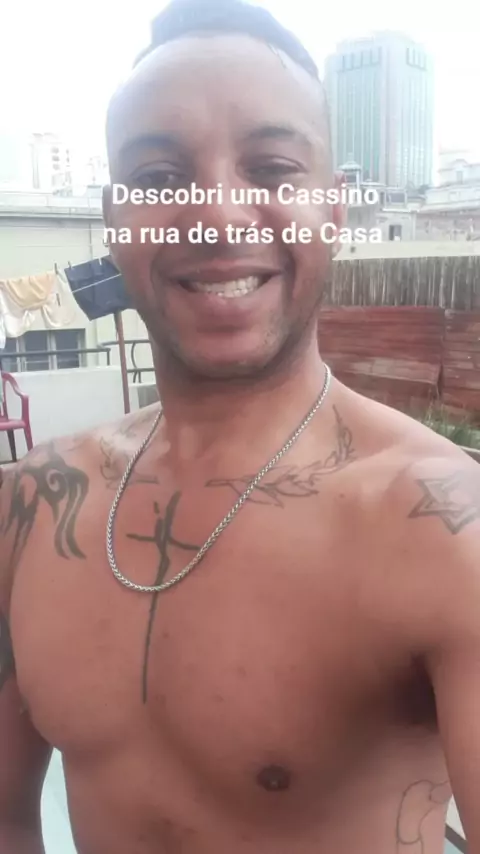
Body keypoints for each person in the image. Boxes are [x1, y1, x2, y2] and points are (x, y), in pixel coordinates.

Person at [1, 1, 479, 852]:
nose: (217, 215)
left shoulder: (442, 530)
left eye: (271, 168)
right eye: (159, 180)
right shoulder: (32, 508)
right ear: (113, 221)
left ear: (336, 210)